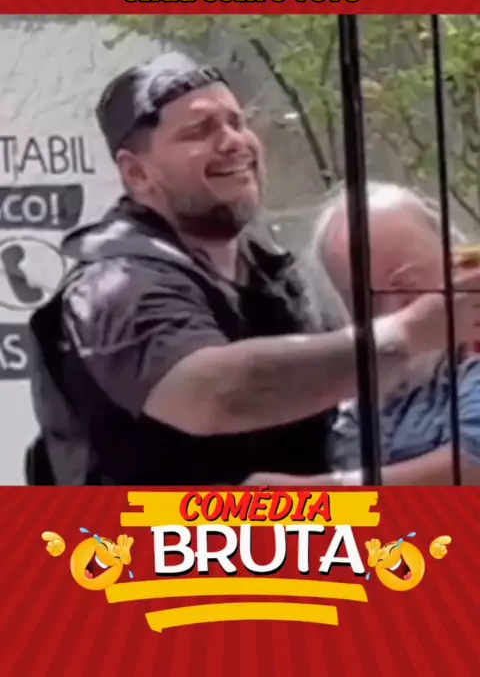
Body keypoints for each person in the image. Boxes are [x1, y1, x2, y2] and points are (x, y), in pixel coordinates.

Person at [27, 54, 480, 485]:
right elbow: (219, 394)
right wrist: (408, 332)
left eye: (237, 122)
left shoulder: (275, 276)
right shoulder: (114, 284)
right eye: (199, 130)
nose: (233, 142)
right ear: (137, 174)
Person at [247, 181, 480, 486]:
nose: (394, 312)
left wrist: (317, 495)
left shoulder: (471, 351)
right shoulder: (363, 384)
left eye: (407, 287)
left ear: (454, 263)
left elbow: (471, 467)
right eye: (367, 301)